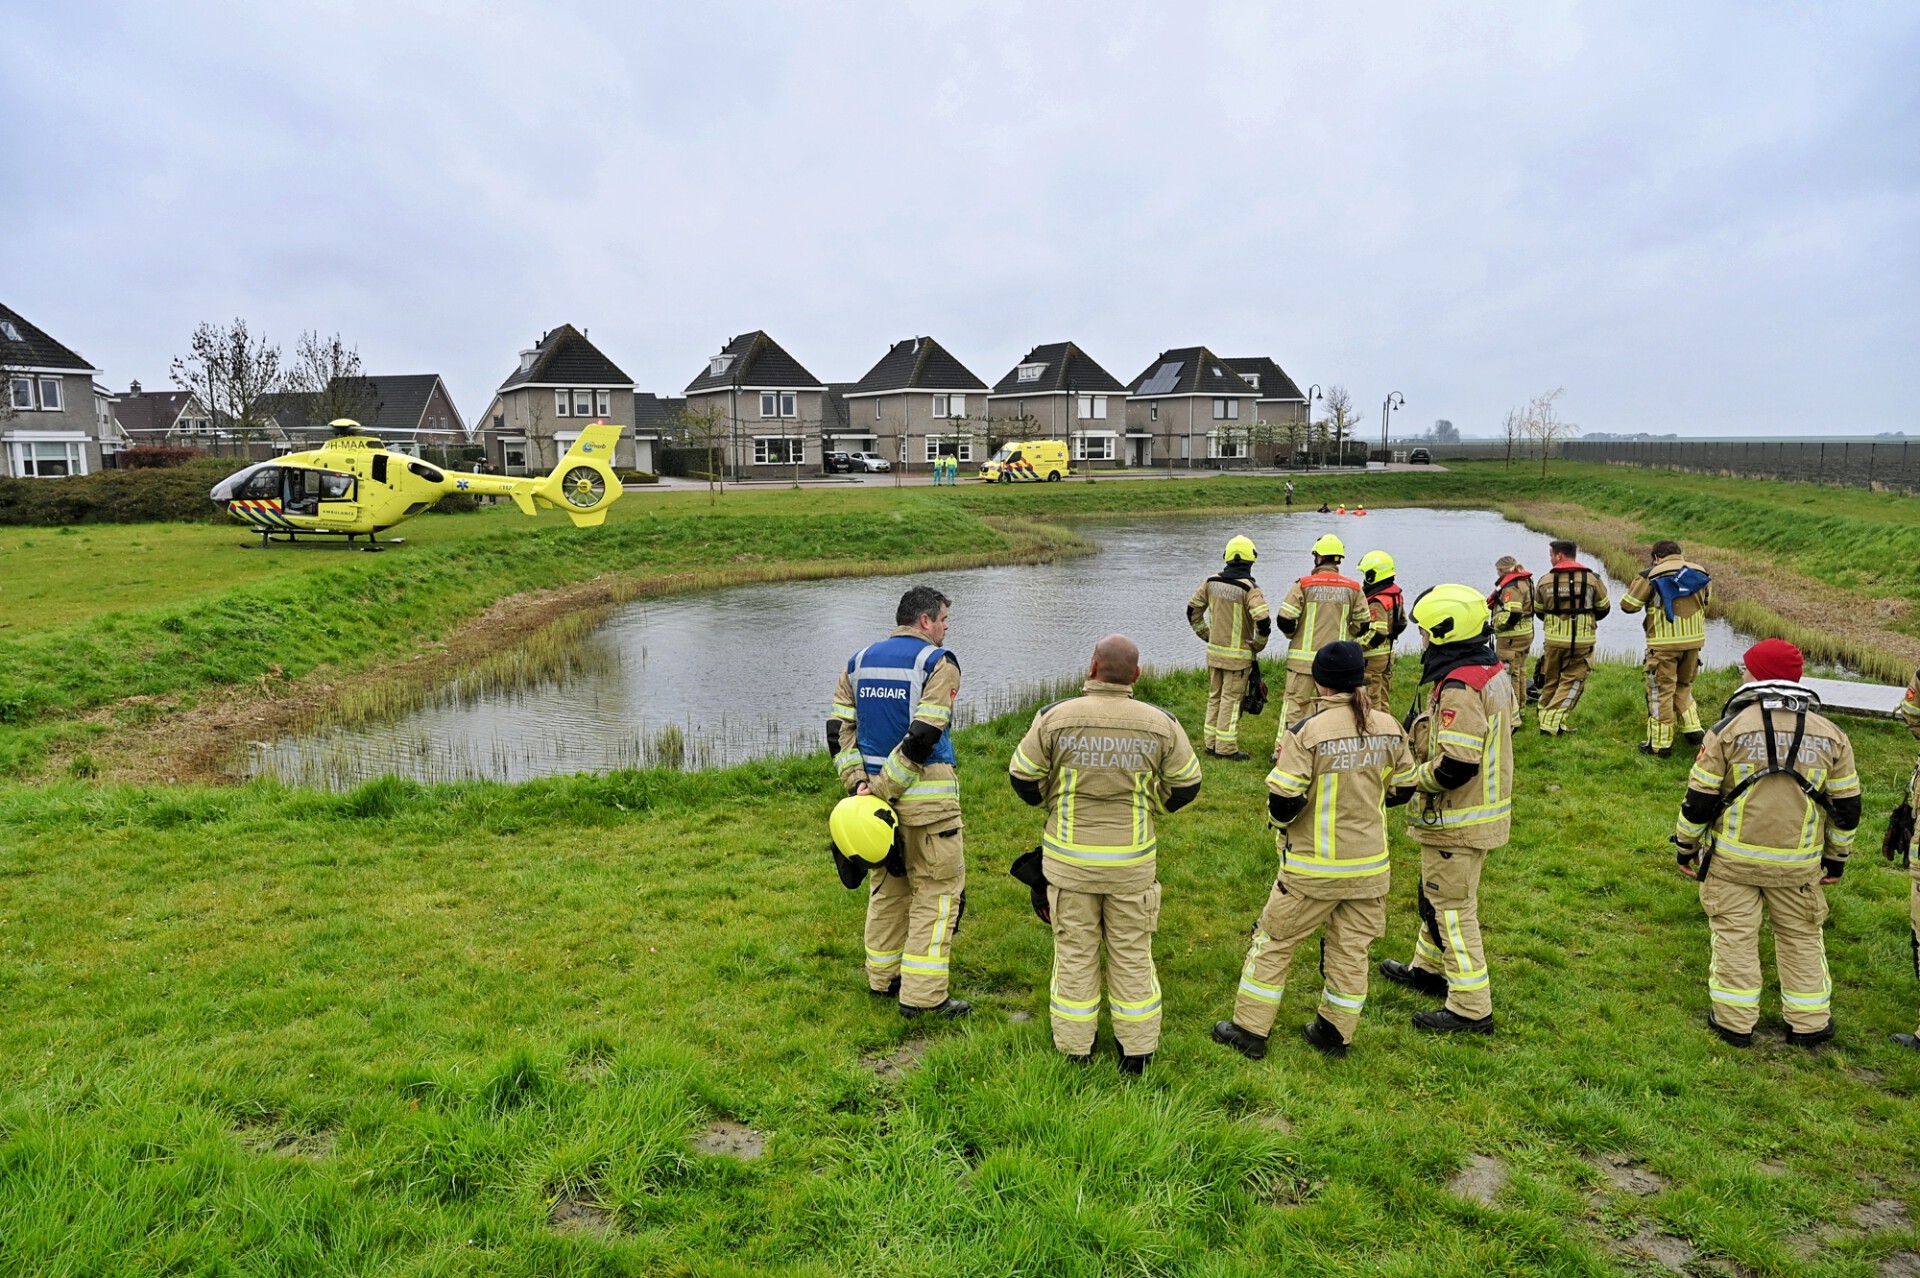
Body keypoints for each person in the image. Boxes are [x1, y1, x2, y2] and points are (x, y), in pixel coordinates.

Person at [1211, 641, 1416, 1061]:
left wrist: (1283, 826)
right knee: (1350, 950)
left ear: (1320, 683)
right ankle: (1334, 1033)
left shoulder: (1306, 731)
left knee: (1273, 942)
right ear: (1359, 679)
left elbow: (1284, 799)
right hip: (1370, 869)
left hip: (1310, 870)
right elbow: (1405, 788)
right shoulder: (1390, 726)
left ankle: (1250, 1030)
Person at [1009, 635, 1202, 1074]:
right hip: (1132, 865)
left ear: (1092, 666)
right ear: (1136, 674)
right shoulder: (1161, 723)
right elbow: (1188, 784)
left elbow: (1022, 776)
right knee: (1132, 952)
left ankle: (1076, 1050)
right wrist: (1156, 804)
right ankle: (1136, 1053)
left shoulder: (1053, 717)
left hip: (1069, 863)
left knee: (1075, 952)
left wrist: (1050, 800)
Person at [1671, 640, 1860, 1048]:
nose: (1741, 673)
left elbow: (1699, 800)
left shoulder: (1727, 730)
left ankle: (1734, 1023)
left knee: (1735, 936)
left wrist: (1685, 846)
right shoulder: (1832, 736)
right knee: (1802, 937)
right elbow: (1847, 809)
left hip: (1732, 863)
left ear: (1758, 675)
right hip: (1799, 866)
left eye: (1745, 668)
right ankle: (1809, 1025)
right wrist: (1836, 860)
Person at [1379, 584, 1515, 1033]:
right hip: (1475, 814)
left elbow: (1457, 764)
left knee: (1453, 909)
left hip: (1457, 818)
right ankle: (1429, 968)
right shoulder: (1488, 668)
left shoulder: (1459, 686)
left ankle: (1470, 1008)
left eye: (1424, 631)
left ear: (1443, 632)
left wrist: (1410, 782)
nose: (1420, 638)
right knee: (1434, 894)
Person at [829, 586, 970, 1018]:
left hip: (873, 810)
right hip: (927, 808)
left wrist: (859, 785)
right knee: (937, 893)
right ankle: (924, 997)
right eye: (944, 619)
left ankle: (883, 977)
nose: (947, 627)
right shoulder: (937, 663)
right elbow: (925, 735)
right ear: (925, 620)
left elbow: (838, 732)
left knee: (888, 889)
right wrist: (887, 787)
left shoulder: (857, 662)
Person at [1618, 539, 1712, 757]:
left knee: (1660, 691)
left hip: (1663, 644)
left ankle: (1660, 745)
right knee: (1683, 685)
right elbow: (1706, 601)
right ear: (1680, 554)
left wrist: (1632, 589)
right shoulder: (1701, 572)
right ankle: (1693, 729)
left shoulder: (1651, 574)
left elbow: (1628, 606)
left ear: (1656, 558)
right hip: (1694, 642)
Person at [1187, 536, 1272, 760]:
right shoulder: (1250, 589)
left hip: (1214, 653)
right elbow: (1263, 620)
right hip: (1238, 658)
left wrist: (1206, 634)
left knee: (1214, 696)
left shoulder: (1211, 582)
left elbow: (1192, 611)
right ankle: (1225, 749)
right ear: (1251, 560)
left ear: (1227, 557)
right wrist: (1259, 645)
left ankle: (1210, 743)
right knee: (1231, 701)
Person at [1275, 534, 1372, 727]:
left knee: (1296, 705)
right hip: (1337, 663)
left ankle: (1285, 749)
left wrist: (1294, 635)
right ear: (1338, 559)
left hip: (1302, 661)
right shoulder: (1353, 588)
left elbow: (1285, 620)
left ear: (1318, 558)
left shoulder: (1303, 584)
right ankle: (1328, 745)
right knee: (1334, 707)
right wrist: (1348, 633)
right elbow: (1363, 624)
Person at [1535, 539, 1610, 736]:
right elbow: (1604, 608)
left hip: (1553, 640)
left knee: (1551, 679)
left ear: (1559, 555)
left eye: (1551, 555)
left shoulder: (1544, 580)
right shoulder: (1592, 579)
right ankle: (1551, 722)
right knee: (1573, 680)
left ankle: (1546, 718)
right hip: (1582, 641)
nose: (1550, 559)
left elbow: (1539, 611)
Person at [1356, 550, 1406, 710]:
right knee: (1383, 699)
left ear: (1373, 575)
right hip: (1388, 654)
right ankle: (1387, 730)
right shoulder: (1394, 595)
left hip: (1373, 659)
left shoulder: (1377, 601)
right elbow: (1402, 622)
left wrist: (1357, 644)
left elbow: (1378, 633)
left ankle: (1375, 731)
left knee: (1372, 701)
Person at [1488, 556, 1535, 718]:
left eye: (1499, 570)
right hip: (1526, 633)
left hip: (1511, 637)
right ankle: (1520, 707)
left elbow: (1514, 612)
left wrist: (1500, 626)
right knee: (1520, 671)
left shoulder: (1511, 587)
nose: (1497, 573)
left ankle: (1512, 712)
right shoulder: (1525, 581)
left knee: (1510, 673)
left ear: (1506, 569)